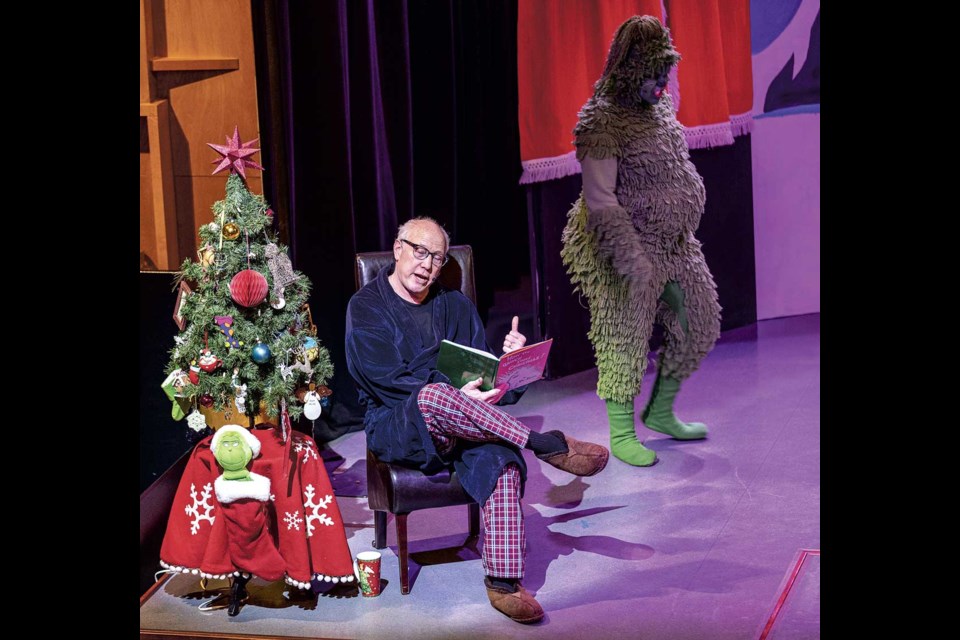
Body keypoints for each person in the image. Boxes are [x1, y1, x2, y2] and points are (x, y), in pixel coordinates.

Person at [345, 217, 609, 624]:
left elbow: (485, 378)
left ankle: (504, 584)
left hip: (466, 423)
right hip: (400, 424)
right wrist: (453, 393)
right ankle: (544, 444)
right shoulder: (365, 307)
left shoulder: (454, 305)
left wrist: (508, 365)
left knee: (500, 462)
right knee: (433, 395)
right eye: (419, 252)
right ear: (398, 248)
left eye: (437, 258)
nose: (427, 265)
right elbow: (387, 381)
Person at [561, 15, 722, 467]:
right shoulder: (602, 119)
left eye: (664, 74)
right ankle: (622, 432)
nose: (659, 85)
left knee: (701, 317)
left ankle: (661, 410)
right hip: (620, 243)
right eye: (651, 75)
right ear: (630, 69)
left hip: (673, 240)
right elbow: (599, 198)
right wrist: (630, 258)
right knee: (624, 332)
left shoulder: (660, 105)